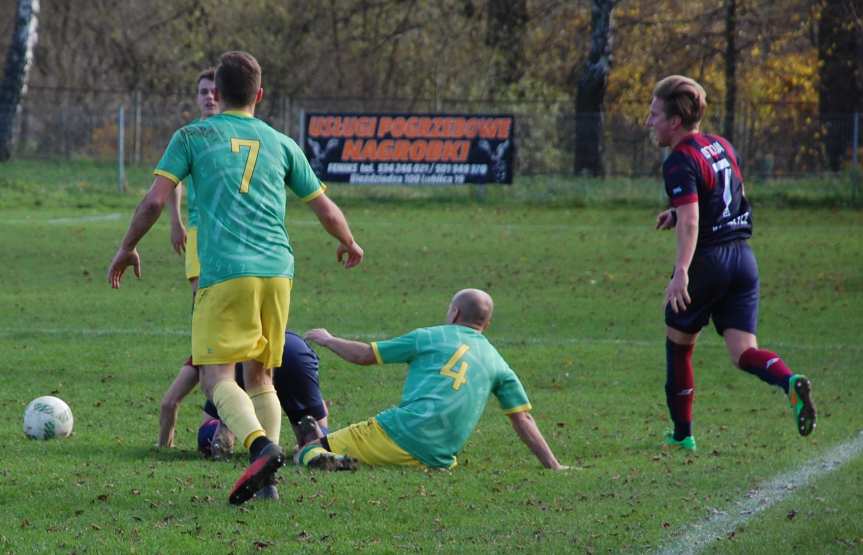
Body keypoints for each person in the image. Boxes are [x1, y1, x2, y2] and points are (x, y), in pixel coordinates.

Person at [107, 51, 363, 505]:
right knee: (262, 374)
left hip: (225, 271)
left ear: (217, 94)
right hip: (278, 272)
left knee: (217, 377)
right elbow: (324, 204)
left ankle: (261, 448)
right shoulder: (282, 143)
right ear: (259, 96)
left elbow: (152, 202)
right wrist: (348, 241)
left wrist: (127, 247)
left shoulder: (192, 136)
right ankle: (269, 485)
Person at [645, 75, 816, 451]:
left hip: (708, 262)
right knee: (743, 352)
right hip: (743, 258)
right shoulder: (721, 145)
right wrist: (676, 213)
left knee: (679, 346)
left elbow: (693, 221)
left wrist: (681, 272)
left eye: (654, 114)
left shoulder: (679, 160)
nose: (648, 121)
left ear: (675, 122)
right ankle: (789, 381)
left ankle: (682, 435)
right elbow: (726, 196)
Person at [297, 289, 566, 471]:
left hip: (397, 432)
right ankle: (325, 438)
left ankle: (321, 448)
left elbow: (365, 355)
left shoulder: (429, 336)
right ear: (487, 324)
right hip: (437, 458)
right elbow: (523, 419)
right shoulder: (498, 363)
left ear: (455, 314)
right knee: (332, 441)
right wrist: (553, 465)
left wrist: (327, 339)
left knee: (305, 453)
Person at [158, 331, 331, 457]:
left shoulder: (211, 342)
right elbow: (321, 407)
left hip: (231, 357)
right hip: (294, 350)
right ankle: (311, 435)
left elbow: (170, 402)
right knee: (314, 423)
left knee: (218, 405)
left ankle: (224, 426)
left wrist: (164, 445)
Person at [166, 67, 218, 301]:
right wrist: (176, 221)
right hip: (199, 226)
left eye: (214, 92)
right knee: (201, 296)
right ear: (197, 98)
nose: (209, 97)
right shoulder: (189, 136)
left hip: (234, 228)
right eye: (203, 92)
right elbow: (172, 180)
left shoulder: (240, 133)